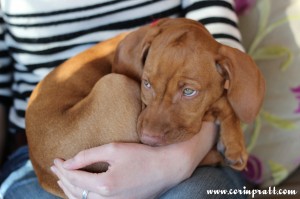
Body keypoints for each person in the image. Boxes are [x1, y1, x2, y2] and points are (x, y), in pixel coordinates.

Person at [0, 0, 246, 198]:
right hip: (47, 157)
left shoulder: (188, 54)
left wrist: (176, 163)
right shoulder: (138, 61)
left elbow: (228, 70)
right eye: (148, 83)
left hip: (185, 149)